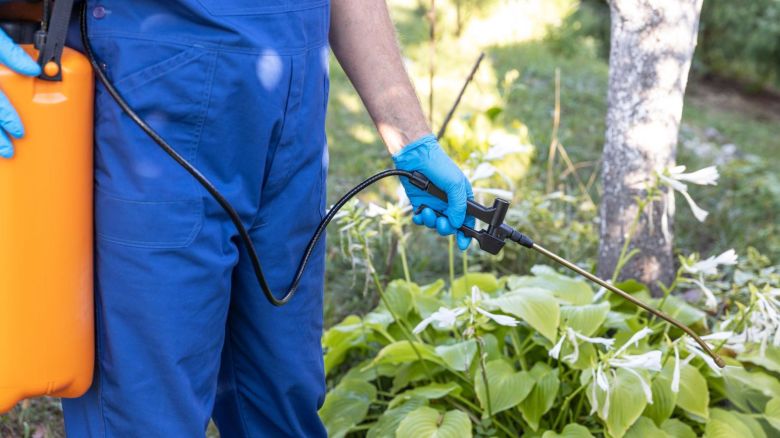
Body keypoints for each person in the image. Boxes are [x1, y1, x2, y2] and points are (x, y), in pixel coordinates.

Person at [0, 0, 474, 436]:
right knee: (144, 410)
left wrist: (411, 137)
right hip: (150, 97)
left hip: (293, 107)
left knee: (282, 397)